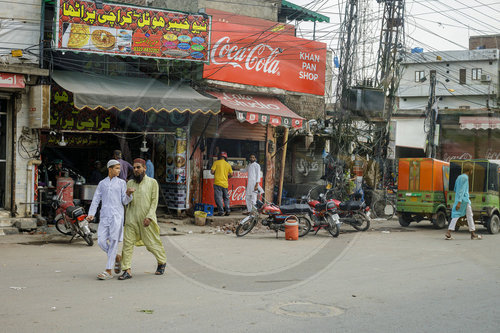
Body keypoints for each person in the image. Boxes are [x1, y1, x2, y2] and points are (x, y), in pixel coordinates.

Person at [118, 158, 167, 280]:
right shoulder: (129, 183)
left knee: (151, 244)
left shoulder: (152, 183)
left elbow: (154, 201)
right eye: (134, 168)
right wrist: (128, 194)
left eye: (138, 167)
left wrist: (149, 217)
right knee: (127, 245)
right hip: (131, 219)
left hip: (146, 219)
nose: (136, 170)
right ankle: (126, 269)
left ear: (145, 168)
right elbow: (124, 202)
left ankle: (161, 261)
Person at [87, 160, 134, 280]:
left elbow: (124, 201)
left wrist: (128, 194)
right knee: (101, 241)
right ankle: (116, 257)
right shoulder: (102, 183)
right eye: (117, 168)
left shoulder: (122, 183)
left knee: (113, 242)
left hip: (117, 216)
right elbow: (96, 199)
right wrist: (91, 214)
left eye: (120, 168)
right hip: (104, 216)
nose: (120, 170)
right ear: (110, 169)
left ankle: (108, 270)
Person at [445, 162, 482, 240]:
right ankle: (449, 232)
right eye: (472, 170)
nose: (472, 171)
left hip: (462, 199)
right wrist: (459, 202)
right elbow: (461, 190)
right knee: (460, 215)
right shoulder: (465, 177)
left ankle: (472, 234)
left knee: (467, 215)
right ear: (469, 170)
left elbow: (456, 188)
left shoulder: (459, 177)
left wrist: (459, 198)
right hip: (463, 200)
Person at [211, 151, 233, 216]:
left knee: (218, 198)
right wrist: (227, 177)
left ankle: (221, 211)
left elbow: (212, 172)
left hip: (217, 183)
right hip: (225, 184)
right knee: (226, 198)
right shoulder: (228, 164)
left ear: (219, 156)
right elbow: (231, 174)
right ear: (225, 157)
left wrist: (216, 173)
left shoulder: (216, 162)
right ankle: (228, 210)